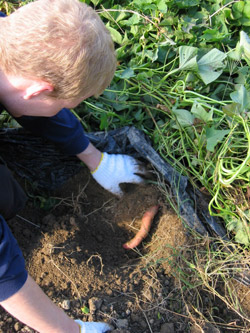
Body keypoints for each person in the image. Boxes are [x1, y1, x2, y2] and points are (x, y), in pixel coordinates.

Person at [0, 0, 144, 332]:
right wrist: (68, 329)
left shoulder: (12, 39)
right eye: (66, 104)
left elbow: (32, 104)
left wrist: (96, 159)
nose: (65, 110)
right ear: (38, 90)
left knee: (7, 195)